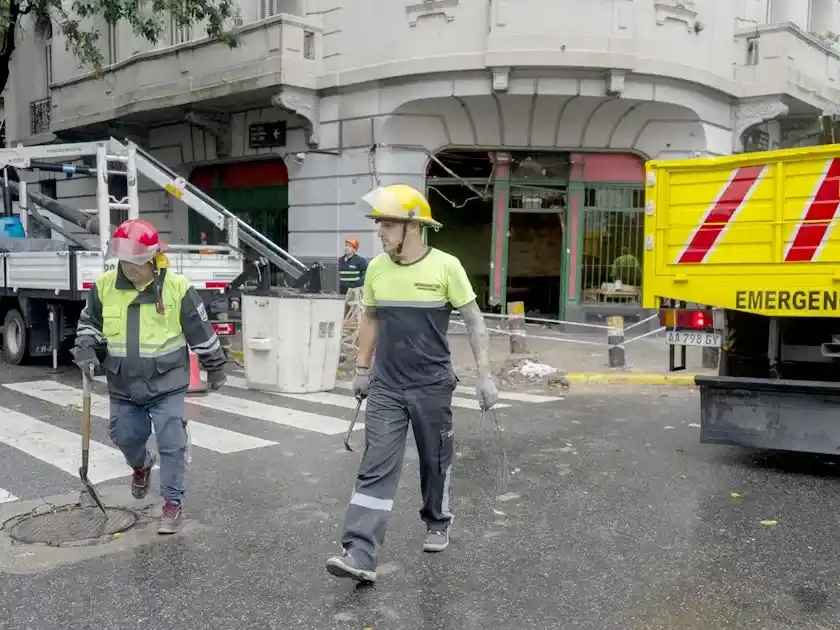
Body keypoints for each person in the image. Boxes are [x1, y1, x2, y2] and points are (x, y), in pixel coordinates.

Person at [325, 184, 499, 583]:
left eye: (387, 223)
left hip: (432, 384)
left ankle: (437, 520)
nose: (380, 231)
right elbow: (370, 318)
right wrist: (361, 369)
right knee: (375, 465)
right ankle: (360, 552)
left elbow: (474, 321)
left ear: (413, 226)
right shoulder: (376, 269)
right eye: (379, 223)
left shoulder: (446, 267)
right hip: (386, 386)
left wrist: (485, 374)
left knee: (434, 461)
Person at [70, 219, 228, 534]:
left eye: (137, 261)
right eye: (124, 261)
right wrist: (86, 349)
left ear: (153, 258)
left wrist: (215, 364)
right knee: (125, 435)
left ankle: (172, 503)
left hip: (166, 381)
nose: (130, 267)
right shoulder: (104, 286)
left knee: (172, 440)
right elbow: (89, 324)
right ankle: (141, 465)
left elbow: (200, 330)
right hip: (123, 383)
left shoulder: (176, 286)